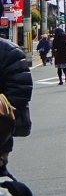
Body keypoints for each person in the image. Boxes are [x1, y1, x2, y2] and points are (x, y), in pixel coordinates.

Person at [0, 38, 32, 176]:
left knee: (6, 188)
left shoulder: (7, 51)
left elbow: (19, 94)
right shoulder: (9, 51)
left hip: (0, 137)